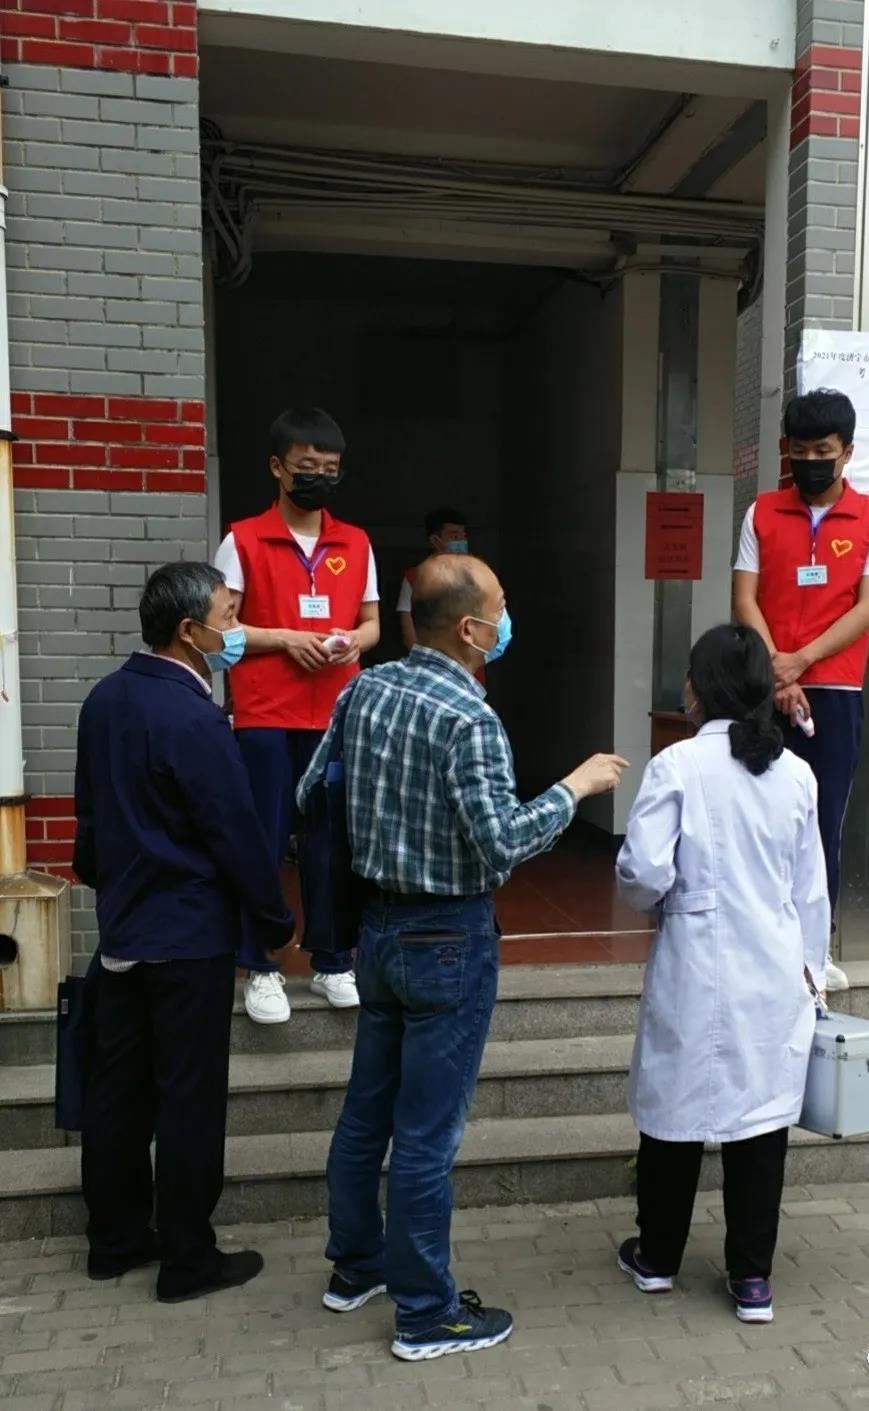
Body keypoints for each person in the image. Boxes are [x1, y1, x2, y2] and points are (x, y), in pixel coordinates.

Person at [297, 554, 627, 1362]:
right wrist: (575, 788)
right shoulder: (470, 720)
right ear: (474, 629)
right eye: (502, 607)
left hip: (377, 930)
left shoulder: (364, 689)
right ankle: (425, 1314)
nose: (509, 620)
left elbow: (311, 794)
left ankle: (356, 1266)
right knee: (425, 1136)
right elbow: (501, 842)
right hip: (447, 938)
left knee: (367, 1112)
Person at [74, 563, 294, 1303]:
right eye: (228, 617)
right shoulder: (195, 718)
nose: (236, 630)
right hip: (189, 936)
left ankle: (114, 1241)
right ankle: (188, 1258)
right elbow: (235, 831)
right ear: (188, 631)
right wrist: (273, 919)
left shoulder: (104, 699)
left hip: (123, 930)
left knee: (118, 1091)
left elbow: (89, 822)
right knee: (188, 1098)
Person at [614, 624, 830, 1325]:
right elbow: (812, 890)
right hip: (774, 964)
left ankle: (657, 1256)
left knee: (673, 1110)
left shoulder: (677, 765)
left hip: (694, 959)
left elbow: (643, 872)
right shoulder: (796, 773)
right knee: (760, 1117)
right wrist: (815, 975)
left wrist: (665, 901)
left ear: (698, 688)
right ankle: (752, 1278)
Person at [214, 406, 381, 1024]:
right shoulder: (243, 540)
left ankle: (334, 959)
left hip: (334, 715)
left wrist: (350, 641)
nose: (319, 478)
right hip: (265, 714)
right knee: (263, 837)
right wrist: (287, 638)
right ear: (277, 468)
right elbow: (220, 629)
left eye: (330, 469)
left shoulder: (355, 542)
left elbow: (373, 623)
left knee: (332, 841)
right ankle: (260, 965)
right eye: (307, 466)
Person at [732, 388, 869, 992]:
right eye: (799, 451)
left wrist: (801, 661)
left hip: (834, 689)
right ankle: (754, 946)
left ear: (847, 451)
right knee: (756, 817)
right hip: (765, 687)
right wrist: (777, 671)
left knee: (823, 820)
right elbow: (744, 598)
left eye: (823, 451)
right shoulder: (761, 513)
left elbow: (867, 608)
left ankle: (814, 952)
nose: (810, 461)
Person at [397, 507, 484, 686]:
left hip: (470, 672)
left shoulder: (480, 576)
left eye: (463, 535)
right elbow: (408, 632)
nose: (461, 540)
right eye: (454, 535)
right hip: (428, 674)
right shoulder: (414, 578)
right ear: (435, 540)